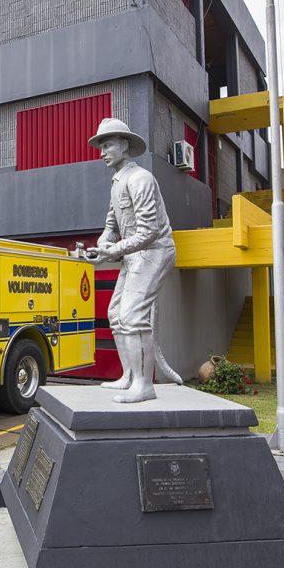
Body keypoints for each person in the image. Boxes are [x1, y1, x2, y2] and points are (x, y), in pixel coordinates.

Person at [86, 118, 182, 403]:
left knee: (131, 316)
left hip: (155, 252)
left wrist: (112, 252)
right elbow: (112, 225)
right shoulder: (117, 183)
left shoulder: (141, 179)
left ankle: (144, 385)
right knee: (116, 314)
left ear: (124, 144)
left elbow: (149, 232)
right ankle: (129, 376)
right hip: (133, 255)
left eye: (108, 145)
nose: (102, 152)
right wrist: (103, 243)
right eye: (101, 146)